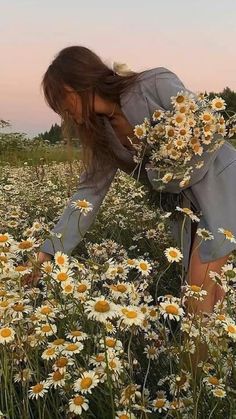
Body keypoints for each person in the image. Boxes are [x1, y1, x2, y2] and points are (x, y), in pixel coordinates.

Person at [25, 45, 236, 319]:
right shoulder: (102, 137)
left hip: (223, 186)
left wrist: (169, 173)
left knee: (197, 293)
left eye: (60, 102)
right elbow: (88, 194)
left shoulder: (154, 84)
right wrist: (47, 253)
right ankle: (212, 356)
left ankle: (198, 361)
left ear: (72, 87)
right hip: (187, 210)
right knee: (205, 296)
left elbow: (208, 131)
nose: (63, 114)